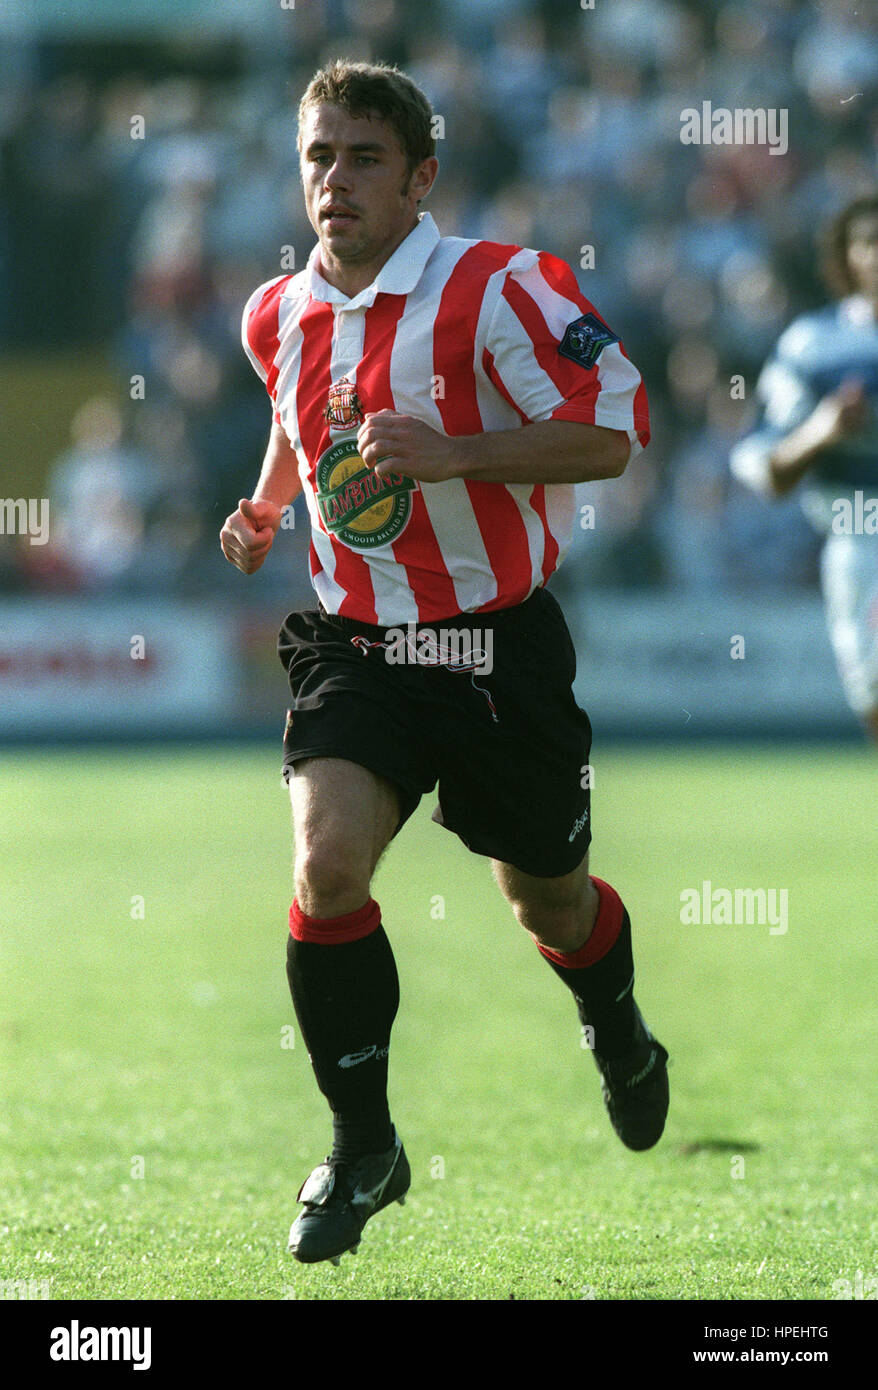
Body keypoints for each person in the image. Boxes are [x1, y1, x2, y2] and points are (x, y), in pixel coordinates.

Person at [220, 60, 667, 1269]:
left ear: (421, 177)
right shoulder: (274, 312)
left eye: (363, 158)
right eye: (318, 156)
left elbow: (614, 436)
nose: (335, 182)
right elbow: (293, 420)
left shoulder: (505, 285)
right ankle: (363, 1143)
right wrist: (266, 509)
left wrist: (457, 454)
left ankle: (614, 1024)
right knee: (323, 867)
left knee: (549, 900)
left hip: (493, 648)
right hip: (354, 644)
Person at [731, 194, 878, 741]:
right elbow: (764, 466)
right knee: (873, 694)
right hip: (863, 540)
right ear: (848, 257)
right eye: (870, 242)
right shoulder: (815, 345)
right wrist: (825, 429)